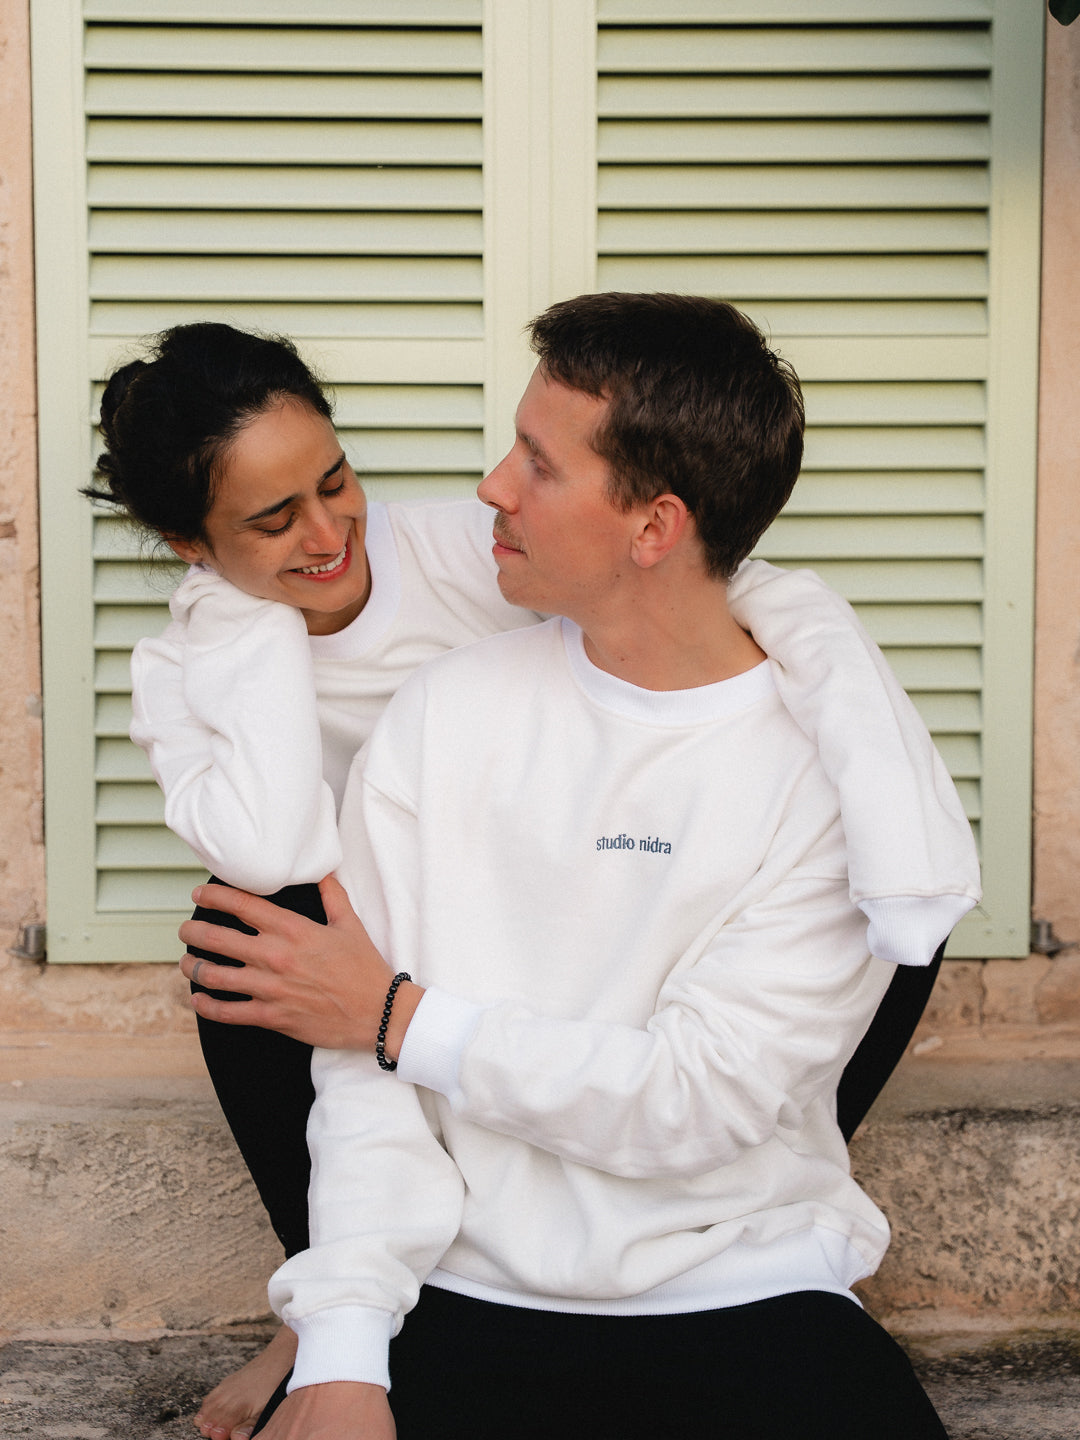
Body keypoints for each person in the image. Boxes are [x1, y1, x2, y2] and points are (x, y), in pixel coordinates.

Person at [94, 320, 957, 1439]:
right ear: (189, 542)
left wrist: (401, 1018)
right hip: (429, 1062)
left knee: (894, 924)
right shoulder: (405, 703)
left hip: (715, 1244)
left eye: (537, 462)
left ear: (652, 524)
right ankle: (318, 1298)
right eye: (269, 520)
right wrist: (349, 1332)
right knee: (262, 931)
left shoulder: (480, 570)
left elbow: (748, 595)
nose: (492, 485)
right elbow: (278, 871)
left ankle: (742, 1197)